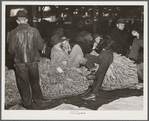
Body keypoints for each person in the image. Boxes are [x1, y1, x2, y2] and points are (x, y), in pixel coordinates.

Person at [8, 10, 51, 110]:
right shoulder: (34, 31)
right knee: (34, 82)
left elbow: (11, 50)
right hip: (33, 62)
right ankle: (38, 102)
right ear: (26, 19)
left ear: (17, 21)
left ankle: (27, 105)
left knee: (23, 84)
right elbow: (40, 46)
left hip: (20, 63)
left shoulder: (13, 32)